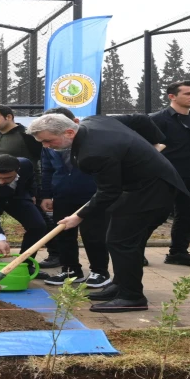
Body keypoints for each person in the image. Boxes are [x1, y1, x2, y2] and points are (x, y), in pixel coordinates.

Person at [28, 113, 188, 313]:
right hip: (140, 186)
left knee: (121, 241)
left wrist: (78, 216)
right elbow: (138, 120)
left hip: (151, 190)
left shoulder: (92, 153)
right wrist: (152, 145)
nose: (45, 146)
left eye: (48, 140)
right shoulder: (94, 121)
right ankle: (120, 286)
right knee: (121, 239)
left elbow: (108, 192)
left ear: (69, 131)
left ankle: (132, 297)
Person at [39, 107, 110, 288]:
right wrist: (46, 194)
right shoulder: (48, 145)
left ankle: (99, 272)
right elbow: (47, 169)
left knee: (93, 234)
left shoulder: (92, 141)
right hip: (62, 194)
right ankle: (70, 270)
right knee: (63, 233)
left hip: (91, 194)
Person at [0, 104, 59, 269]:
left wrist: (38, 191)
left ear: (9, 117)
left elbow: (42, 161)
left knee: (40, 223)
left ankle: (50, 255)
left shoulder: (27, 136)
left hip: (24, 188)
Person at [150, 80, 190, 266]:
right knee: (155, 215)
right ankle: (135, 250)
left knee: (187, 215)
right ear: (172, 96)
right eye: (188, 93)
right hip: (165, 178)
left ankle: (178, 252)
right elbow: (145, 149)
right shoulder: (157, 119)